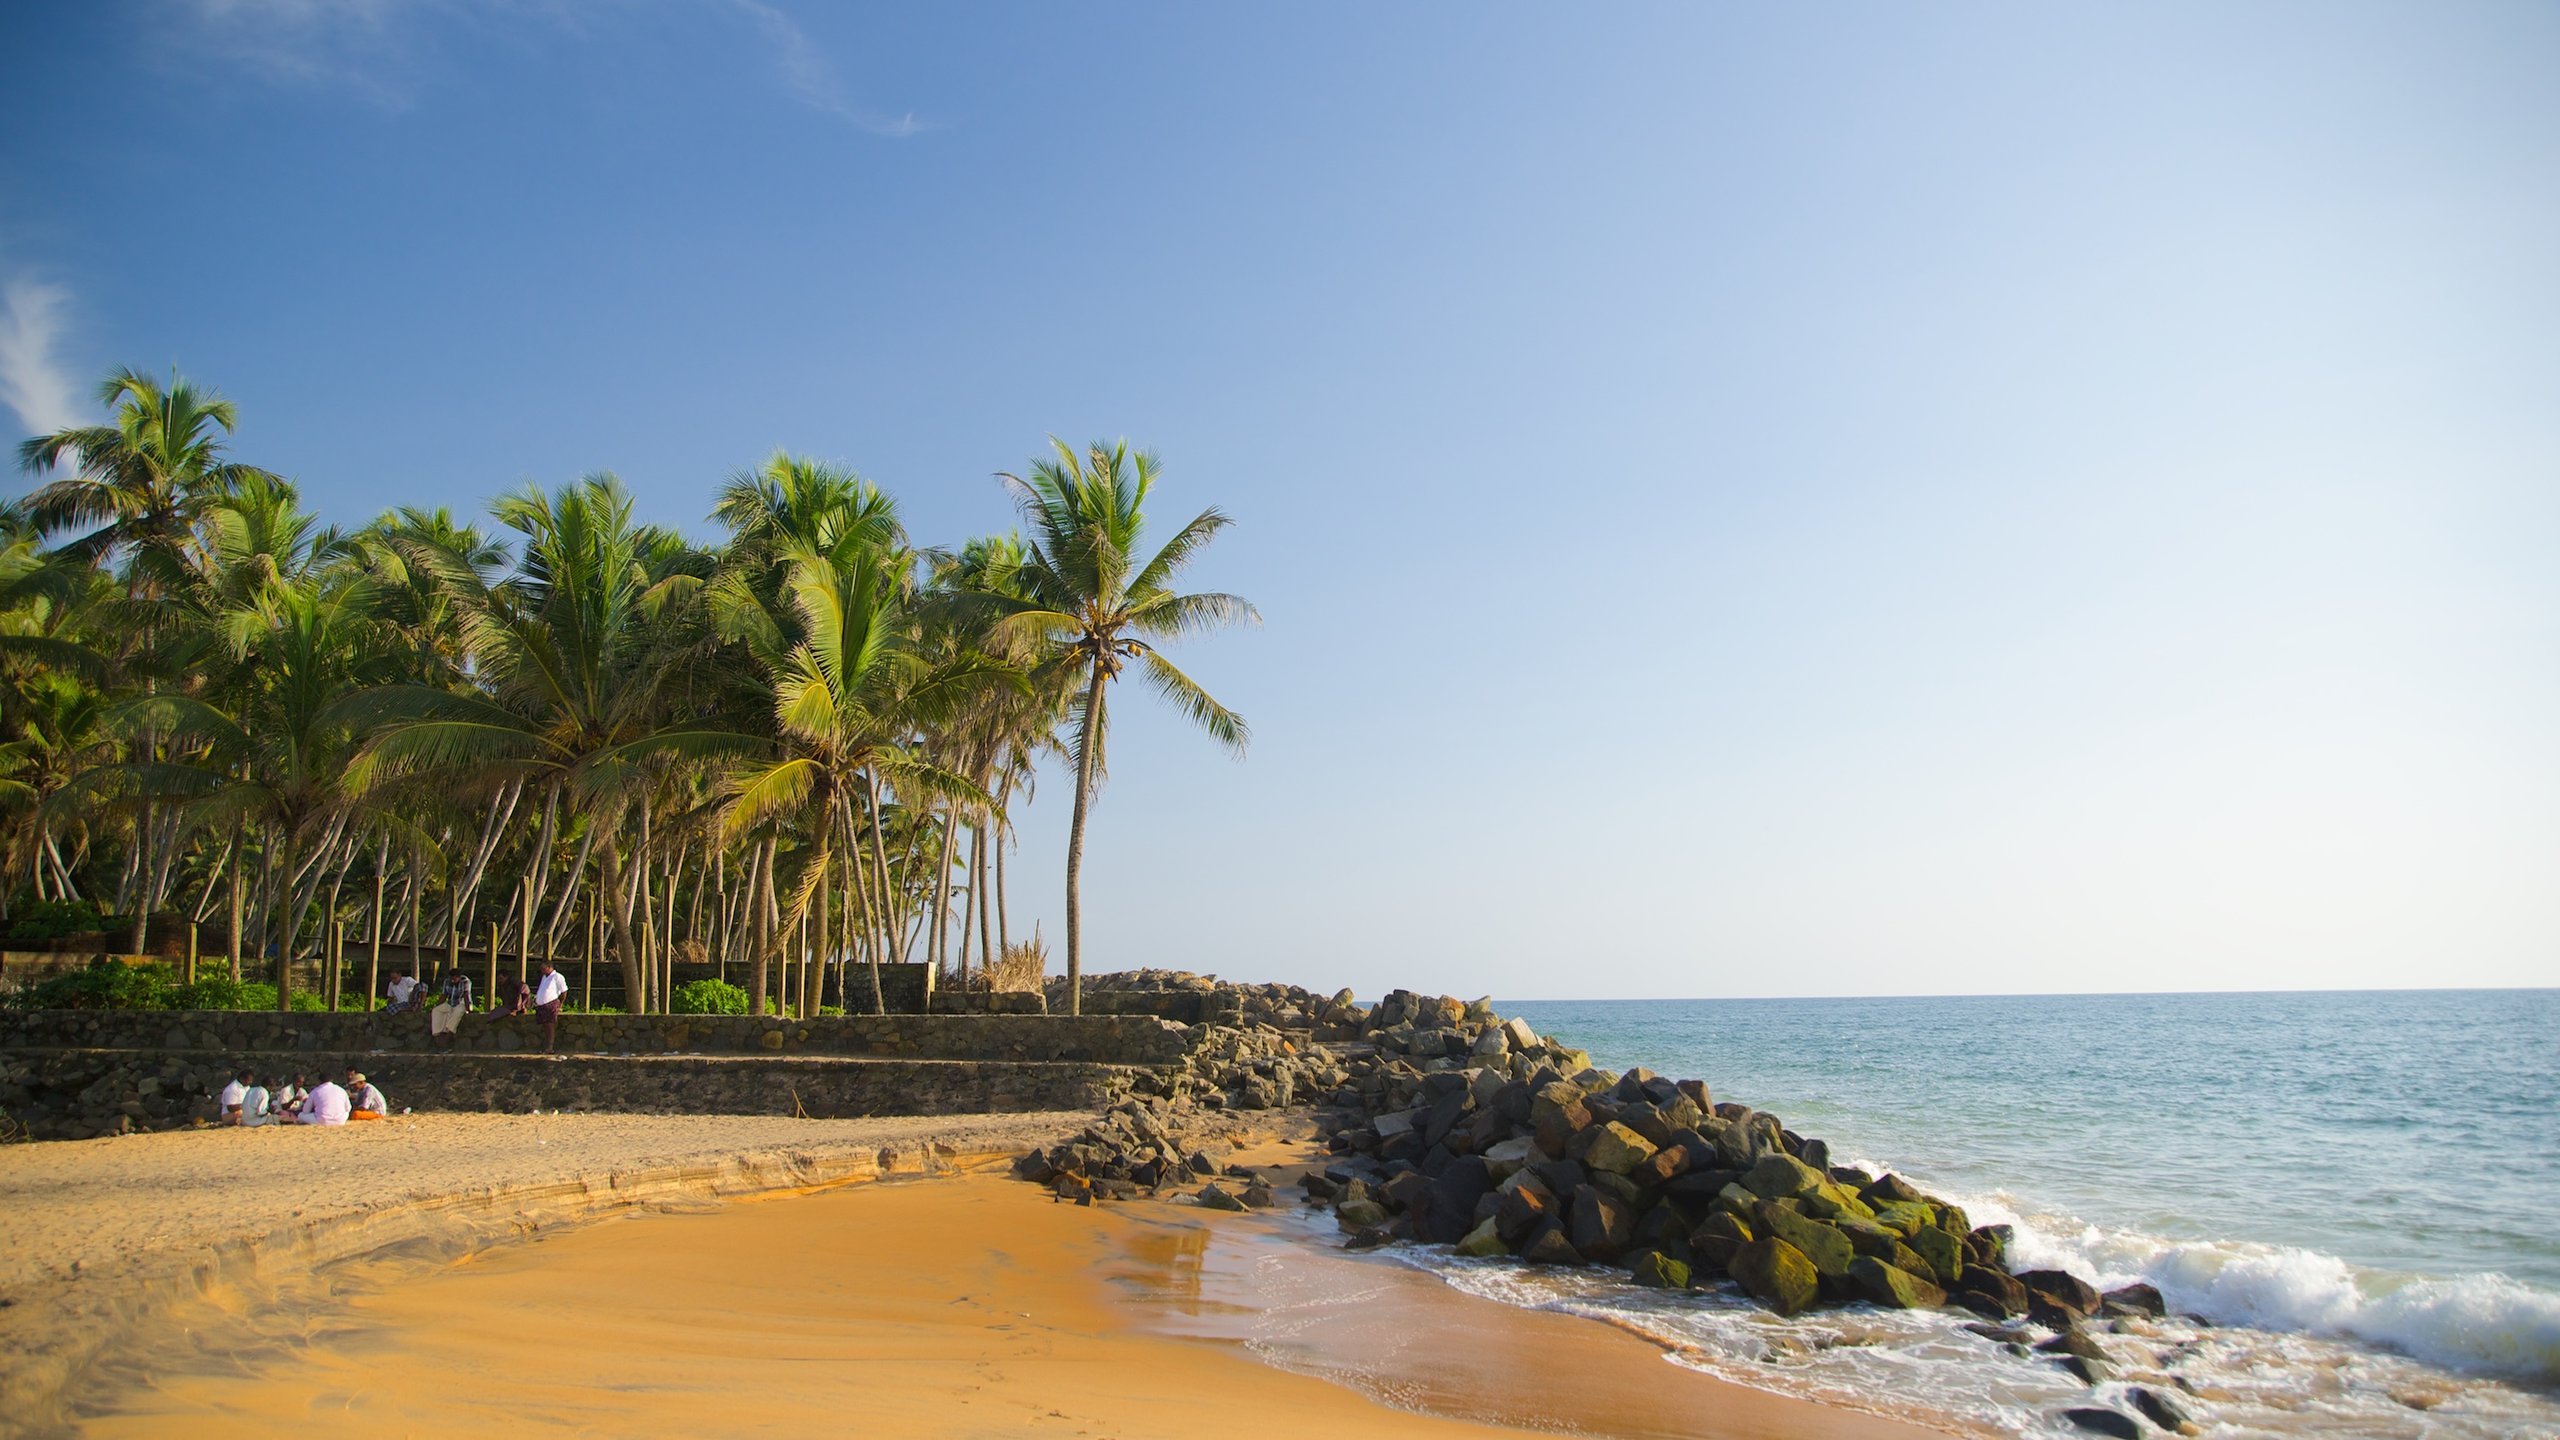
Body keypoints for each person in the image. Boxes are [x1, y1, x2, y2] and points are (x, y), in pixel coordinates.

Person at [430, 968, 473, 1048]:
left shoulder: (465, 981)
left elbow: (466, 995)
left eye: (455, 978)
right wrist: (436, 1005)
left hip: (461, 1003)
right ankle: (437, 1035)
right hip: (450, 1003)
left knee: (457, 1012)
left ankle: (448, 1034)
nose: (453, 980)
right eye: (451, 978)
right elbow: (444, 995)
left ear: (459, 977)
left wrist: (468, 1009)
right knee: (436, 1010)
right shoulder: (447, 981)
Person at [532, 960, 569, 1052]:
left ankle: (550, 1047)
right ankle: (546, 1046)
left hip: (551, 1004)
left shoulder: (557, 977)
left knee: (550, 1025)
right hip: (542, 1005)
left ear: (549, 967)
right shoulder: (544, 977)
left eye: (543, 968)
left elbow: (564, 991)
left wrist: (560, 1004)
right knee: (545, 1026)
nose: (542, 970)